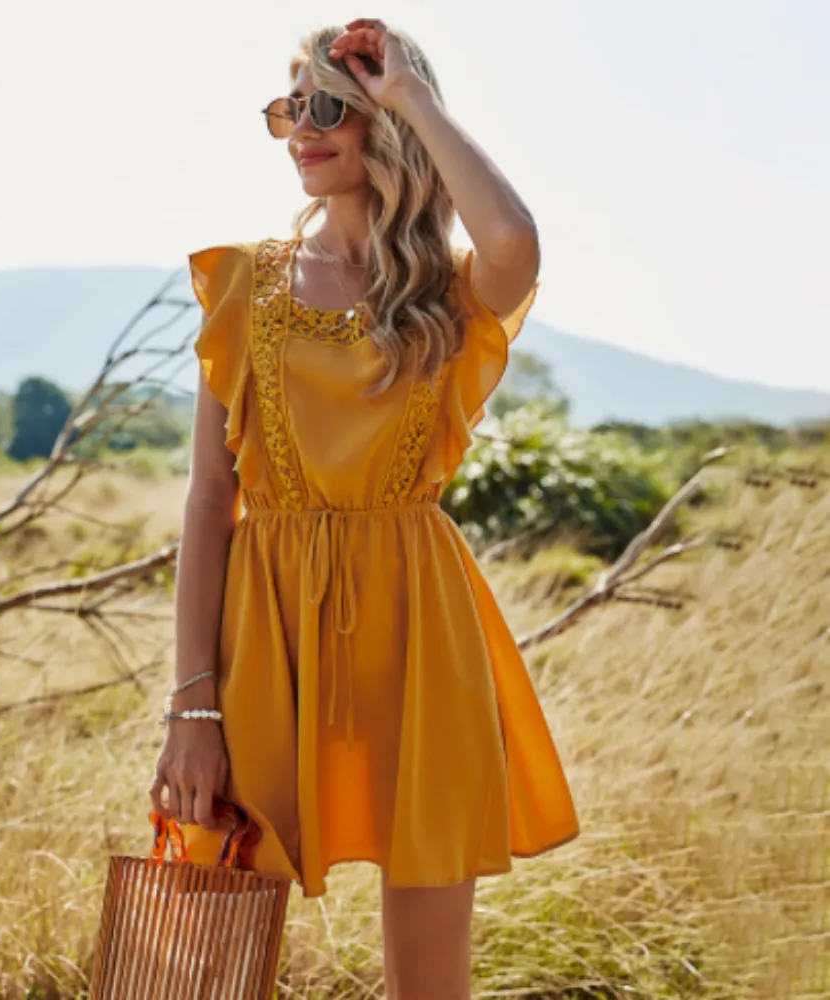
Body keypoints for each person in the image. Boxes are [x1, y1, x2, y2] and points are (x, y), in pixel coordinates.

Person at [149, 19, 579, 999]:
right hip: (266, 635)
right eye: (287, 109)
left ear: (380, 125)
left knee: (428, 980)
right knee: (206, 959)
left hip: (421, 634)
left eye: (324, 107)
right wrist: (192, 704)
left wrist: (413, 99)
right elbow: (209, 499)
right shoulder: (241, 284)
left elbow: (514, 239)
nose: (299, 129)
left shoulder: (447, 293)